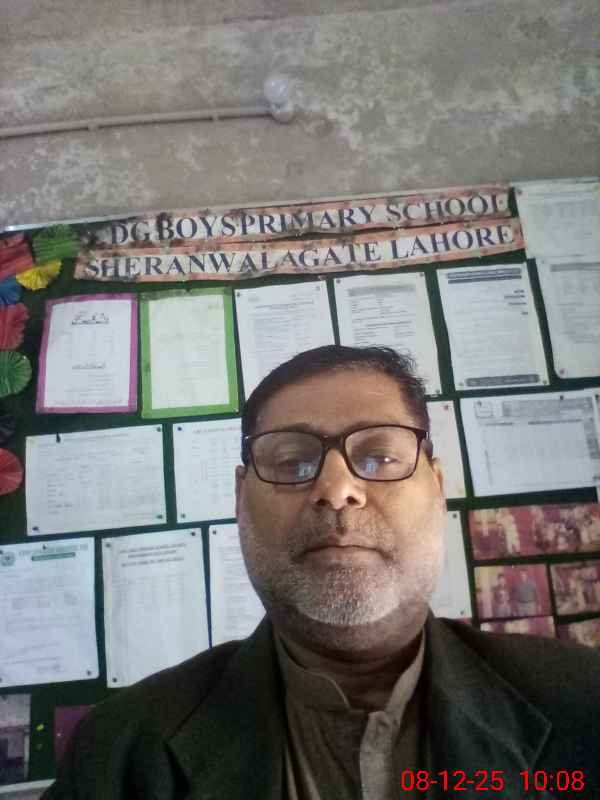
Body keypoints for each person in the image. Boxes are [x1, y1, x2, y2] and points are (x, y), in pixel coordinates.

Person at [43, 345, 600, 800]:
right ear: (240, 496)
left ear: (437, 486)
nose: (337, 490)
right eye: (291, 462)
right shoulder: (116, 756)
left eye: (379, 457)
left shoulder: (585, 704)